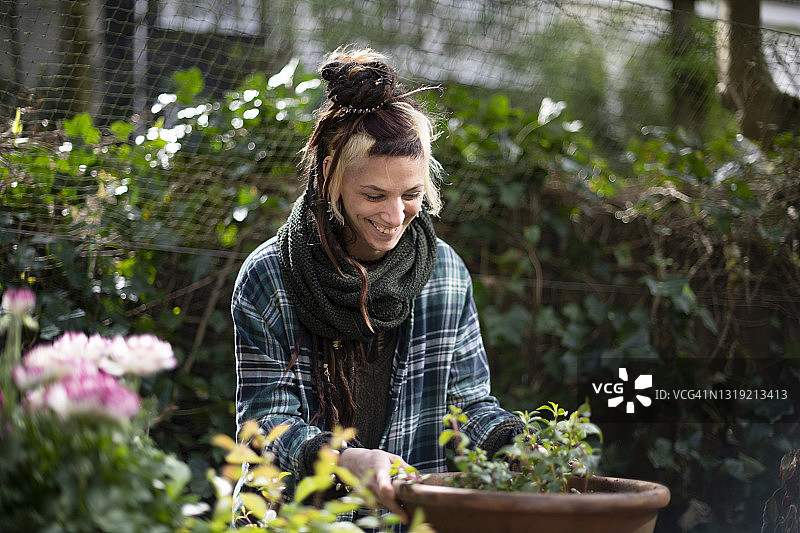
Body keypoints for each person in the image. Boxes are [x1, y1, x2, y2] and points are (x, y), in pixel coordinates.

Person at [232, 45, 523, 525]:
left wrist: (518, 446)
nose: (394, 217)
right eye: (373, 195)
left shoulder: (444, 275)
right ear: (329, 176)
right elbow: (264, 428)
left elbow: (468, 406)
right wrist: (345, 461)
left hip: (412, 520)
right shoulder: (272, 276)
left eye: (411, 195)